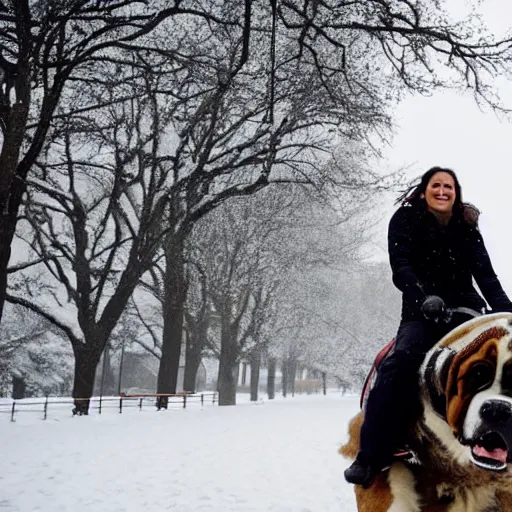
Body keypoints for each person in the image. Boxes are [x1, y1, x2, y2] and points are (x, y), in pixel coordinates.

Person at [344, 166, 512, 488]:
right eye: (436, 185)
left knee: (499, 360)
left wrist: (506, 310)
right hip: (421, 312)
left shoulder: (466, 226)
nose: (442, 191)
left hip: (466, 311)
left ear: (456, 193)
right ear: (424, 191)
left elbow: (486, 274)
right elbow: (401, 266)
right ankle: (372, 454)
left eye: (449, 186)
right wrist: (422, 297)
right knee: (401, 363)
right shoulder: (405, 220)